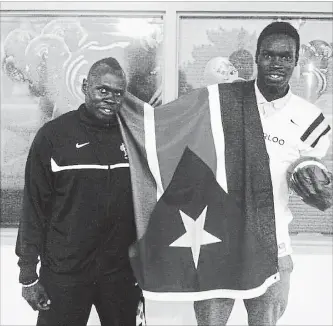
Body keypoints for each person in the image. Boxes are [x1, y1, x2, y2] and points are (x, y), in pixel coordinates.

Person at [193, 21, 332, 326]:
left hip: (274, 242)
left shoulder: (311, 120)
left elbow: (310, 176)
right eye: (269, 55)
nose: (277, 63)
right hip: (218, 238)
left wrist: (318, 189)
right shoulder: (223, 99)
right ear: (256, 57)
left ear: (296, 62)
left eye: (285, 57)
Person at [15, 57, 142, 326]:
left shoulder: (133, 136)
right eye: (102, 90)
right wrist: (28, 273)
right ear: (85, 86)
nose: (110, 98)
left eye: (118, 93)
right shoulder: (53, 136)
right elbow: (34, 207)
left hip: (119, 272)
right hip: (64, 272)